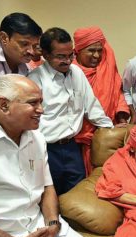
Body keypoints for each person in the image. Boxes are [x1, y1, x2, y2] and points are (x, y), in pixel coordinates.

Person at [0, 74, 89, 237]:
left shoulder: (36, 137)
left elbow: (47, 186)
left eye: (41, 102)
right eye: (33, 103)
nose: (41, 110)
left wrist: (52, 223)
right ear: (4, 105)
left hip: (36, 223)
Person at [28, 27, 113, 195]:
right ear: (45, 54)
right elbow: (29, 120)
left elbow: (91, 106)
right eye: (61, 56)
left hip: (72, 148)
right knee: (50, 195)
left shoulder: (77, 72)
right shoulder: (34, 80)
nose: (67, 61)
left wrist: (111, 129)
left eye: (70, 55)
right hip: (46, 149)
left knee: (78, 195)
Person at [73, 26, 130, 175]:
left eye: (100, 50)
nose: (97, 55)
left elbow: (117, 93)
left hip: (106, 136)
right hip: (77, 141)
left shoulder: (107, 68)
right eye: (91, 50)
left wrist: (122, 114)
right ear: (78, 50)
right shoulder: (70, 73)